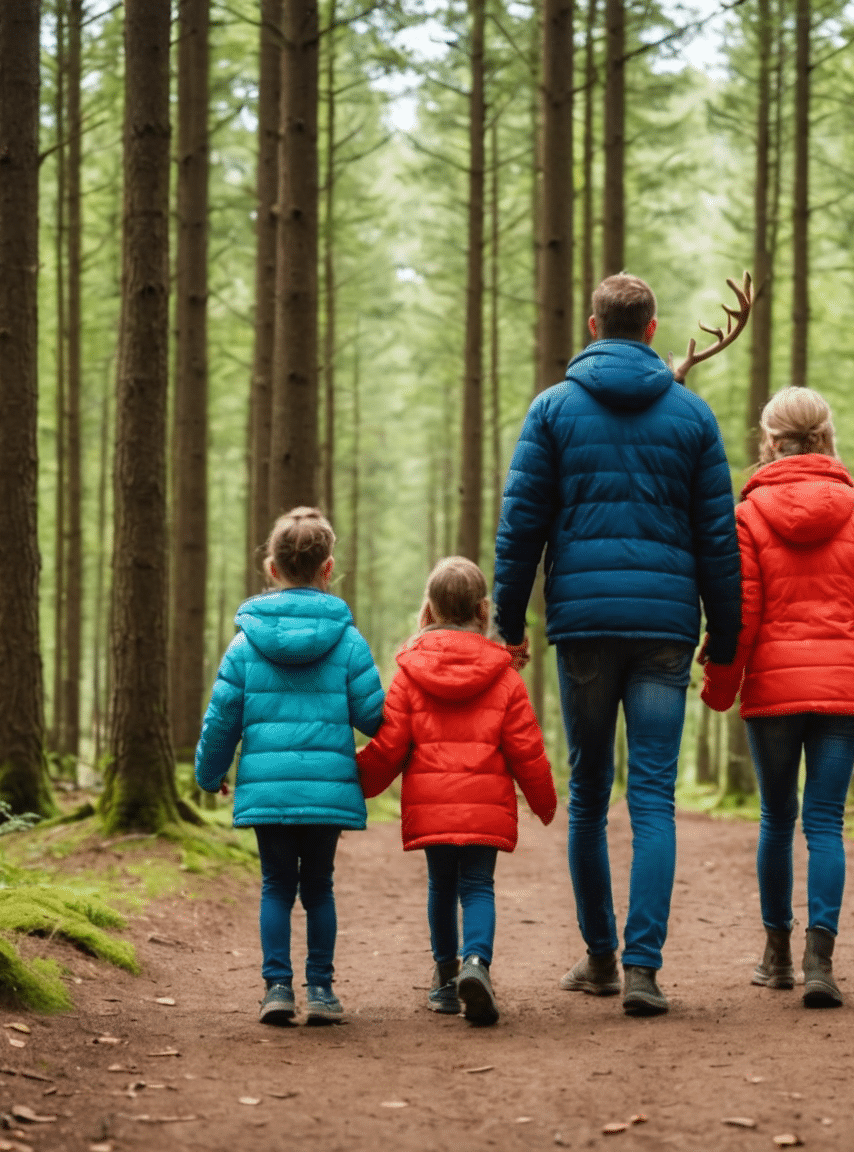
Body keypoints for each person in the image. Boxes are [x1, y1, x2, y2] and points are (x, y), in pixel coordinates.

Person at [494, 273, 742, 1017]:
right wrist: (725, 637)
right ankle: (642, 969)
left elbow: (521, 529)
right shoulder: (693, 417)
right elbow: (718, 541)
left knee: (589, 797)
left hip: (585, 629)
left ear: (596, 325)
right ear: (654, 329)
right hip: (667, 629)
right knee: (655, 799)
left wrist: (509, 624)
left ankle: (600, 959)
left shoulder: (552, 409)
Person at [699, 387, 854, 1009]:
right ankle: (821, 961)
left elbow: (743, 614)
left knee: (776, 821)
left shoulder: (749, 516)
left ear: (770, 438)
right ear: (825, 437)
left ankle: (775, 956)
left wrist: (721, 687)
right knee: (826, 824)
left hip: (776, 688)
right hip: (845, 689)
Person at [195, 508, 386, 1026]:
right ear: (328, 569)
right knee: (318, 886)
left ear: (272, 568)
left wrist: (209, 775)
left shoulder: (244, 644)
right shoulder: (347, 642)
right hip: (326, 791)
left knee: (277, 885)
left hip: (267, 791)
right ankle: (321, 990)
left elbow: (221, 720)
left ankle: (277, 987)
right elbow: (374, 716)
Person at [357, 557, 559, 1026]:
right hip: (485, 811)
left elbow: (389, 746)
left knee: (441, 887)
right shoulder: (504, 675)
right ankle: (476, 964)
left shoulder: (409, 672)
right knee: (478, 887)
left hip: (432, 809)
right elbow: (527, 748)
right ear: (483, 611)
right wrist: (544, 801)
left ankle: (446, 979)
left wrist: (355, 780)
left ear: (427, 611)